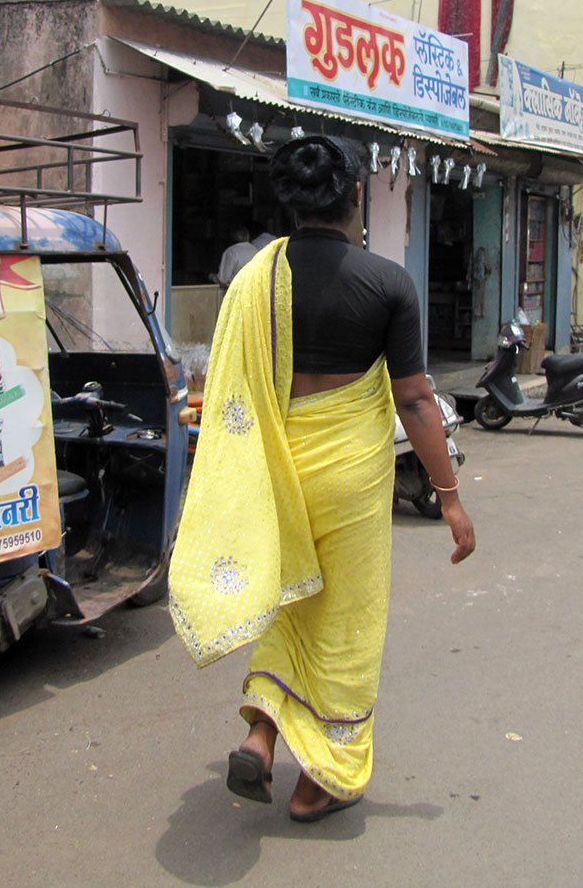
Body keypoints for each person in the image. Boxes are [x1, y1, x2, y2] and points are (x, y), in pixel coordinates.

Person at [168, 135, 476, 823]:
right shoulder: (388, 283)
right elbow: (417, 399)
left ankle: (262, 732)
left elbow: (231, 382)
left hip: (276, 473)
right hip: (350, 481)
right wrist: (450, 498)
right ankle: (320, 781)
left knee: (290, 604)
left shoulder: (254, 277)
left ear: (292, 199)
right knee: (342, 623)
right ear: (355, 196)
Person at [215, 225, 257, 291]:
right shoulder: (255, 249)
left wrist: (211, 277)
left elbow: (223, 280)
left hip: (239, 292)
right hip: (255, 290)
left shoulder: (231, 251)